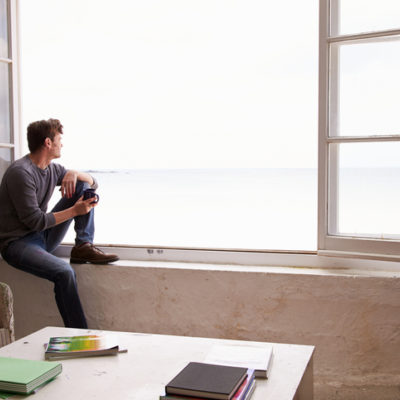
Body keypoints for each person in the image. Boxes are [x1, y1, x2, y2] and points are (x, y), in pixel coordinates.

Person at [0, 118, 119, 328]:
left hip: (42, 237)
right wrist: (75, 211)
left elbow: (93, 183)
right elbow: (36, 221)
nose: (61, 144)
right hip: (17, 244)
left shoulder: (53, 169)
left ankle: (83, 245)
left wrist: (74, 173)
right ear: (48, 143)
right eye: (59, 140)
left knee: (81, 185)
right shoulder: (21, 173)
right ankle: (80, 336)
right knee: (64, 273)